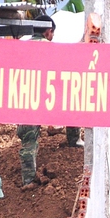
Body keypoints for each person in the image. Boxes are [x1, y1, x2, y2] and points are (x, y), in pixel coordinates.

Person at [17, 17, 81, 187]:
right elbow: (68, 71)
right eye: (52, 33)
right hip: (49, 97)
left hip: (27, 99)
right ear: (47, 31)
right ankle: (74, 140)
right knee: (72, 102)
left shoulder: (21, 48)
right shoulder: (52, 48)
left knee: (29, 142)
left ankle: (28, 180)